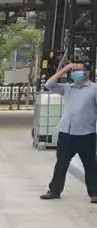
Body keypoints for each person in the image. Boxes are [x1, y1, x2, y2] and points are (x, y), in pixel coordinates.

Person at [40, 61, 97, 203]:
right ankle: (54, 190)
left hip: (86, 134)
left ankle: (94, 193)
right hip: (66, 133)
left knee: (90, 165)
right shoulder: (68, 88)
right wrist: (64, 69)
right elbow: (49, 85)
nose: (75, 72)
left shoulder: (94, 89)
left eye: (78, 69)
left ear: (87, 72)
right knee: (61, 164)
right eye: (73, 70)